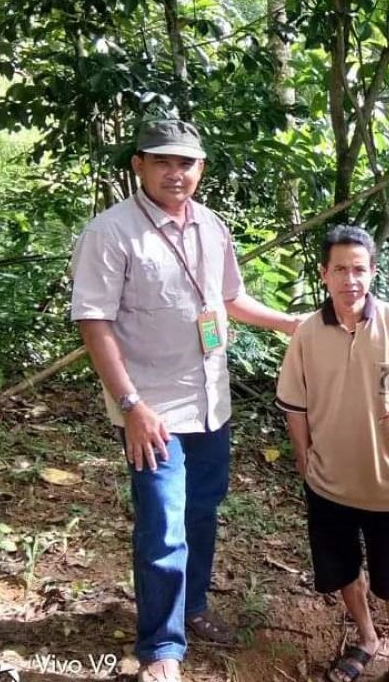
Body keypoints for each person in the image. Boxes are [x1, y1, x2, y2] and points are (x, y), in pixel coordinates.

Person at [70, 119, 307, 682]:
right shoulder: (112, 233)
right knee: (163, 525)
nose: (176, 173)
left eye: (187, 163)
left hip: (211, 405)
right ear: (139, 166)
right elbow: (94, 322)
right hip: (151, 410)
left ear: (200, 168)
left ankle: (191, 606)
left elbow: (230, 299)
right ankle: (161, 649)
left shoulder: (211, 225)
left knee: (201, 514)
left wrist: (291, 324)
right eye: (162, 162)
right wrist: (130, 405)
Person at [275, 225, 389, 682]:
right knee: (342, 567)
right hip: (328, 482)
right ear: (324, 274)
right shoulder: (306, 332)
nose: (350, 280)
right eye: (340, 269)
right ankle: (366, 637)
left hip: (384, 480)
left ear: (373, 273)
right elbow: (294, 403)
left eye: (359, 269)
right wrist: (303, 459)